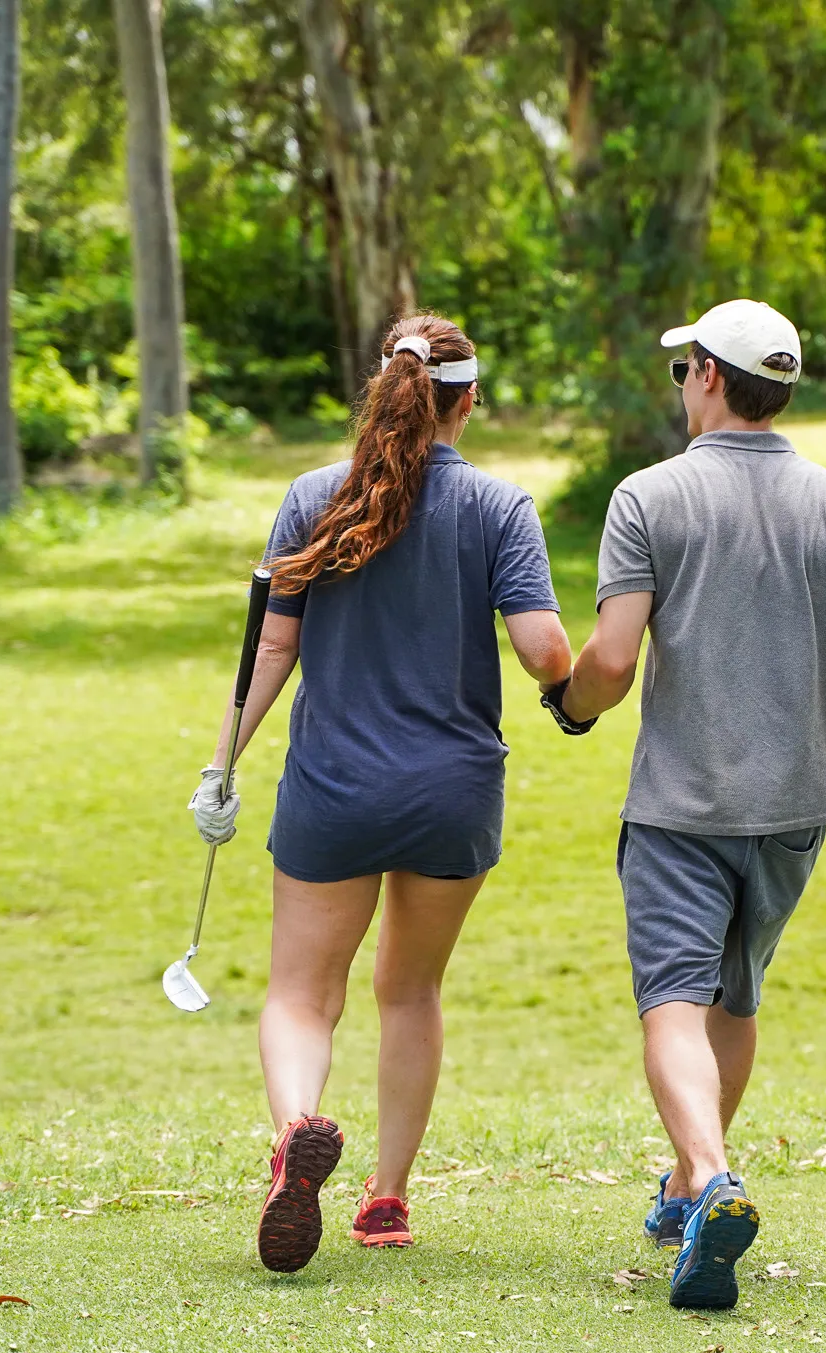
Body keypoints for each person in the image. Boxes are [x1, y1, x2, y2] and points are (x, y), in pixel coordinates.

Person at [544, 299, 826, 1310]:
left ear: (710, 377)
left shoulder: (646, 499)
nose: (679, 381)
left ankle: (712, 1176)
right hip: (794, 806)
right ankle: (687, 1183)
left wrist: (566, 704)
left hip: (682, 804)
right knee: (735, 993)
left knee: (672, 1001)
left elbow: (612, 662)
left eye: (683, 366)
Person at [188, 314, 572, 1273]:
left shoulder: (314, 497)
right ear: (469, 399)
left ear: (385, 388)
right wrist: (584, 687)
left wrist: (222, 765)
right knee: (410, 988)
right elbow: (545, 655)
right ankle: (388, 1199)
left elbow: (271, 650)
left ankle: (296, 1136)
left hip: (332, 788)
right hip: (451, 792)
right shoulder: (500, 507)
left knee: (300, 995)